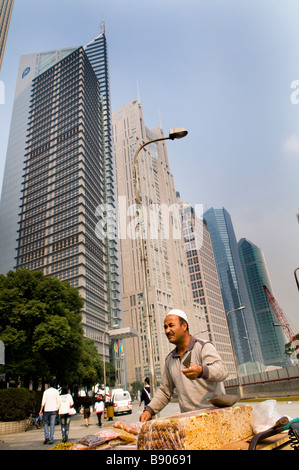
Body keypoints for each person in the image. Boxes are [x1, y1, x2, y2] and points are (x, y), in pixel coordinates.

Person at [140, 309, 228, 422]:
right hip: (189, 421)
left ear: (184, 325)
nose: (167, 330)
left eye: (171, 325)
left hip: (215, 418)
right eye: (165, 327)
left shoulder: (203, 347)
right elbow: (164, 391)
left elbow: (222, 370)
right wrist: (149, 410)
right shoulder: (169, 360)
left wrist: (201, 371)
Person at [39, 379, 60, 444]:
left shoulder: (46, 392)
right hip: (53, 409)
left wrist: (40, 410)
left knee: (45, 423)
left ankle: (46, 437)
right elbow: (58, 401)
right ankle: (51, 439)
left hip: (46, 409)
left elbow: (43, 402)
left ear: (49, 384)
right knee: (52, 424)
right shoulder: (56, 392)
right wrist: (57, 410)